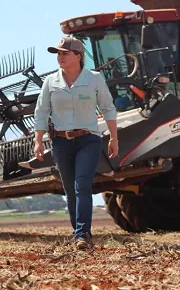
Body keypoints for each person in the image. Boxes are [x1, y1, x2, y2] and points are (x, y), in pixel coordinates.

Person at [33, 36, 119, 250]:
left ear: (78, 56)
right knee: (70, 190)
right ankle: (79, 232)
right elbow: (42, 111)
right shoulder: (50, 82)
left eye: (64, 53)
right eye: (58, 54)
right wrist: (38, 141)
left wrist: (114, 138)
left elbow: (108, 107)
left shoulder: (95, 79)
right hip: (61, 142)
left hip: (88, 140)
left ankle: (82, 234)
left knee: (82, 186)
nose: (60, 57)